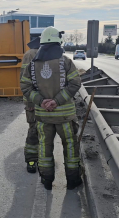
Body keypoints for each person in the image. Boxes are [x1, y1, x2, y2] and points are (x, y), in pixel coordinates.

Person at [20, 27, 82, 190]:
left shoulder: (32, 65)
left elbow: (25, 87)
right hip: (65, 118)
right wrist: (56, 101)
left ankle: (47, 181)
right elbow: (75, 83)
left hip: (43, 117)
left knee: (44, 148)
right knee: (70, 146)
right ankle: (72, 180)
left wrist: (41, 101)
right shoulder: (66, 61)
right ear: (58, 42)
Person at [20, 37, 40, 173]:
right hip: (34, 100)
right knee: (34, 130)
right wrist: (30, 102)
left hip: (43, 101)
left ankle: (40, 160)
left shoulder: (43, 53)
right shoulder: (31, 54)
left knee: (42, 132)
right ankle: (32, 161)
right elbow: (25, 80)